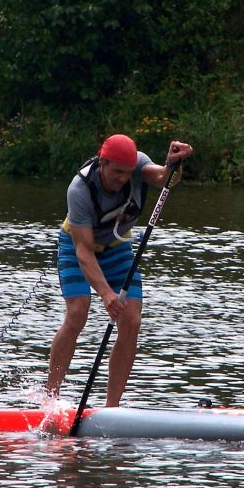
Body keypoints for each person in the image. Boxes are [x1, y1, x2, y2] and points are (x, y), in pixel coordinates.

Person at [47, 133, 193, 407]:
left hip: (116, 248)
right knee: (78, 311)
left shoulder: (136, 165)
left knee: (131, 320)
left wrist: (173, 163)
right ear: (103, 162)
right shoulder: (79, 189)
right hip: (78, 246)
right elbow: (84, 251)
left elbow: (164, 179)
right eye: (116, 172)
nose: (123, 179)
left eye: (127, 173)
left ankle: (112, 406)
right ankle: (50, 399)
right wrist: (105, 294)